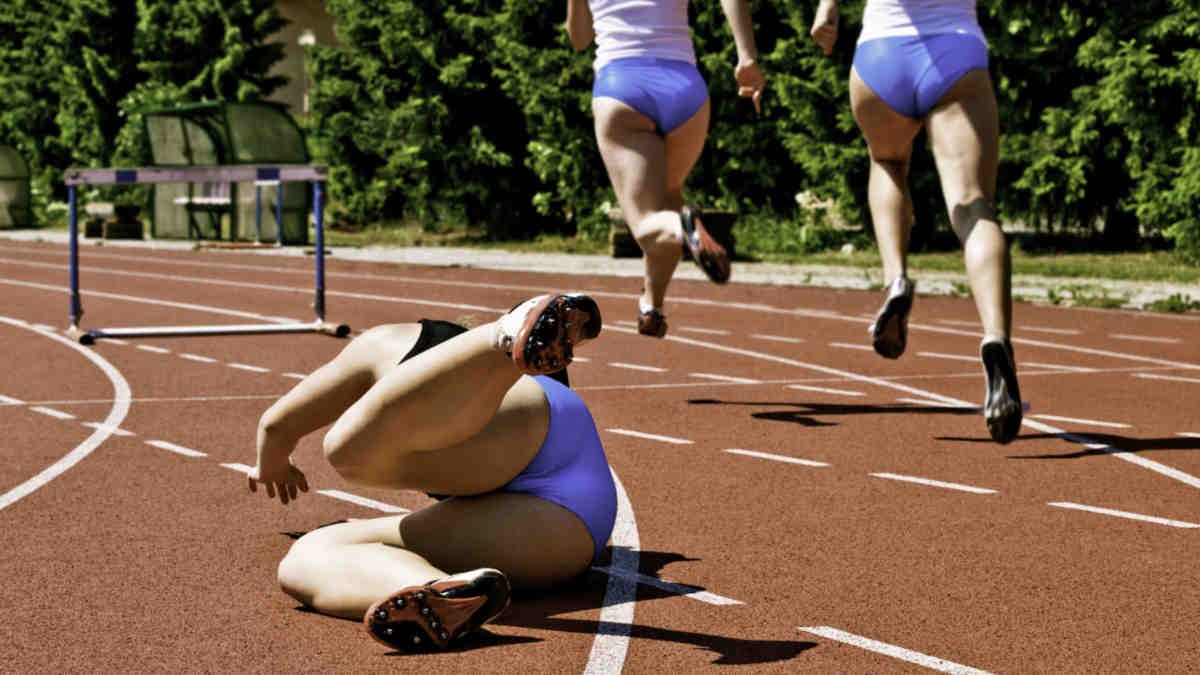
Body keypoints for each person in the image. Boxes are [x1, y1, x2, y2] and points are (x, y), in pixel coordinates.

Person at [245, 293, 615, 652]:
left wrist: (270, 463)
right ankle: (438, 592)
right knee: (308, 553)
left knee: (348, 452)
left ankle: (500, 336)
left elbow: (276, 426)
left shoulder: (388, 341)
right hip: (572, 531)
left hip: (528, 423)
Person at [810, 0, 1023, 444]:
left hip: (881, 52)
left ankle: (897, 279)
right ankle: (995, 337)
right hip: (956, 51)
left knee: (886, 162)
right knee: (973, 206)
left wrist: (827, 10)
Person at [566, 0, 766, 338]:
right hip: (685, 88)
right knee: (668, 197)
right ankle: (652, 306)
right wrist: (747, 57)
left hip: (623, 87)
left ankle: (684, 226)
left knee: (648, 222)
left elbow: (579, 38)